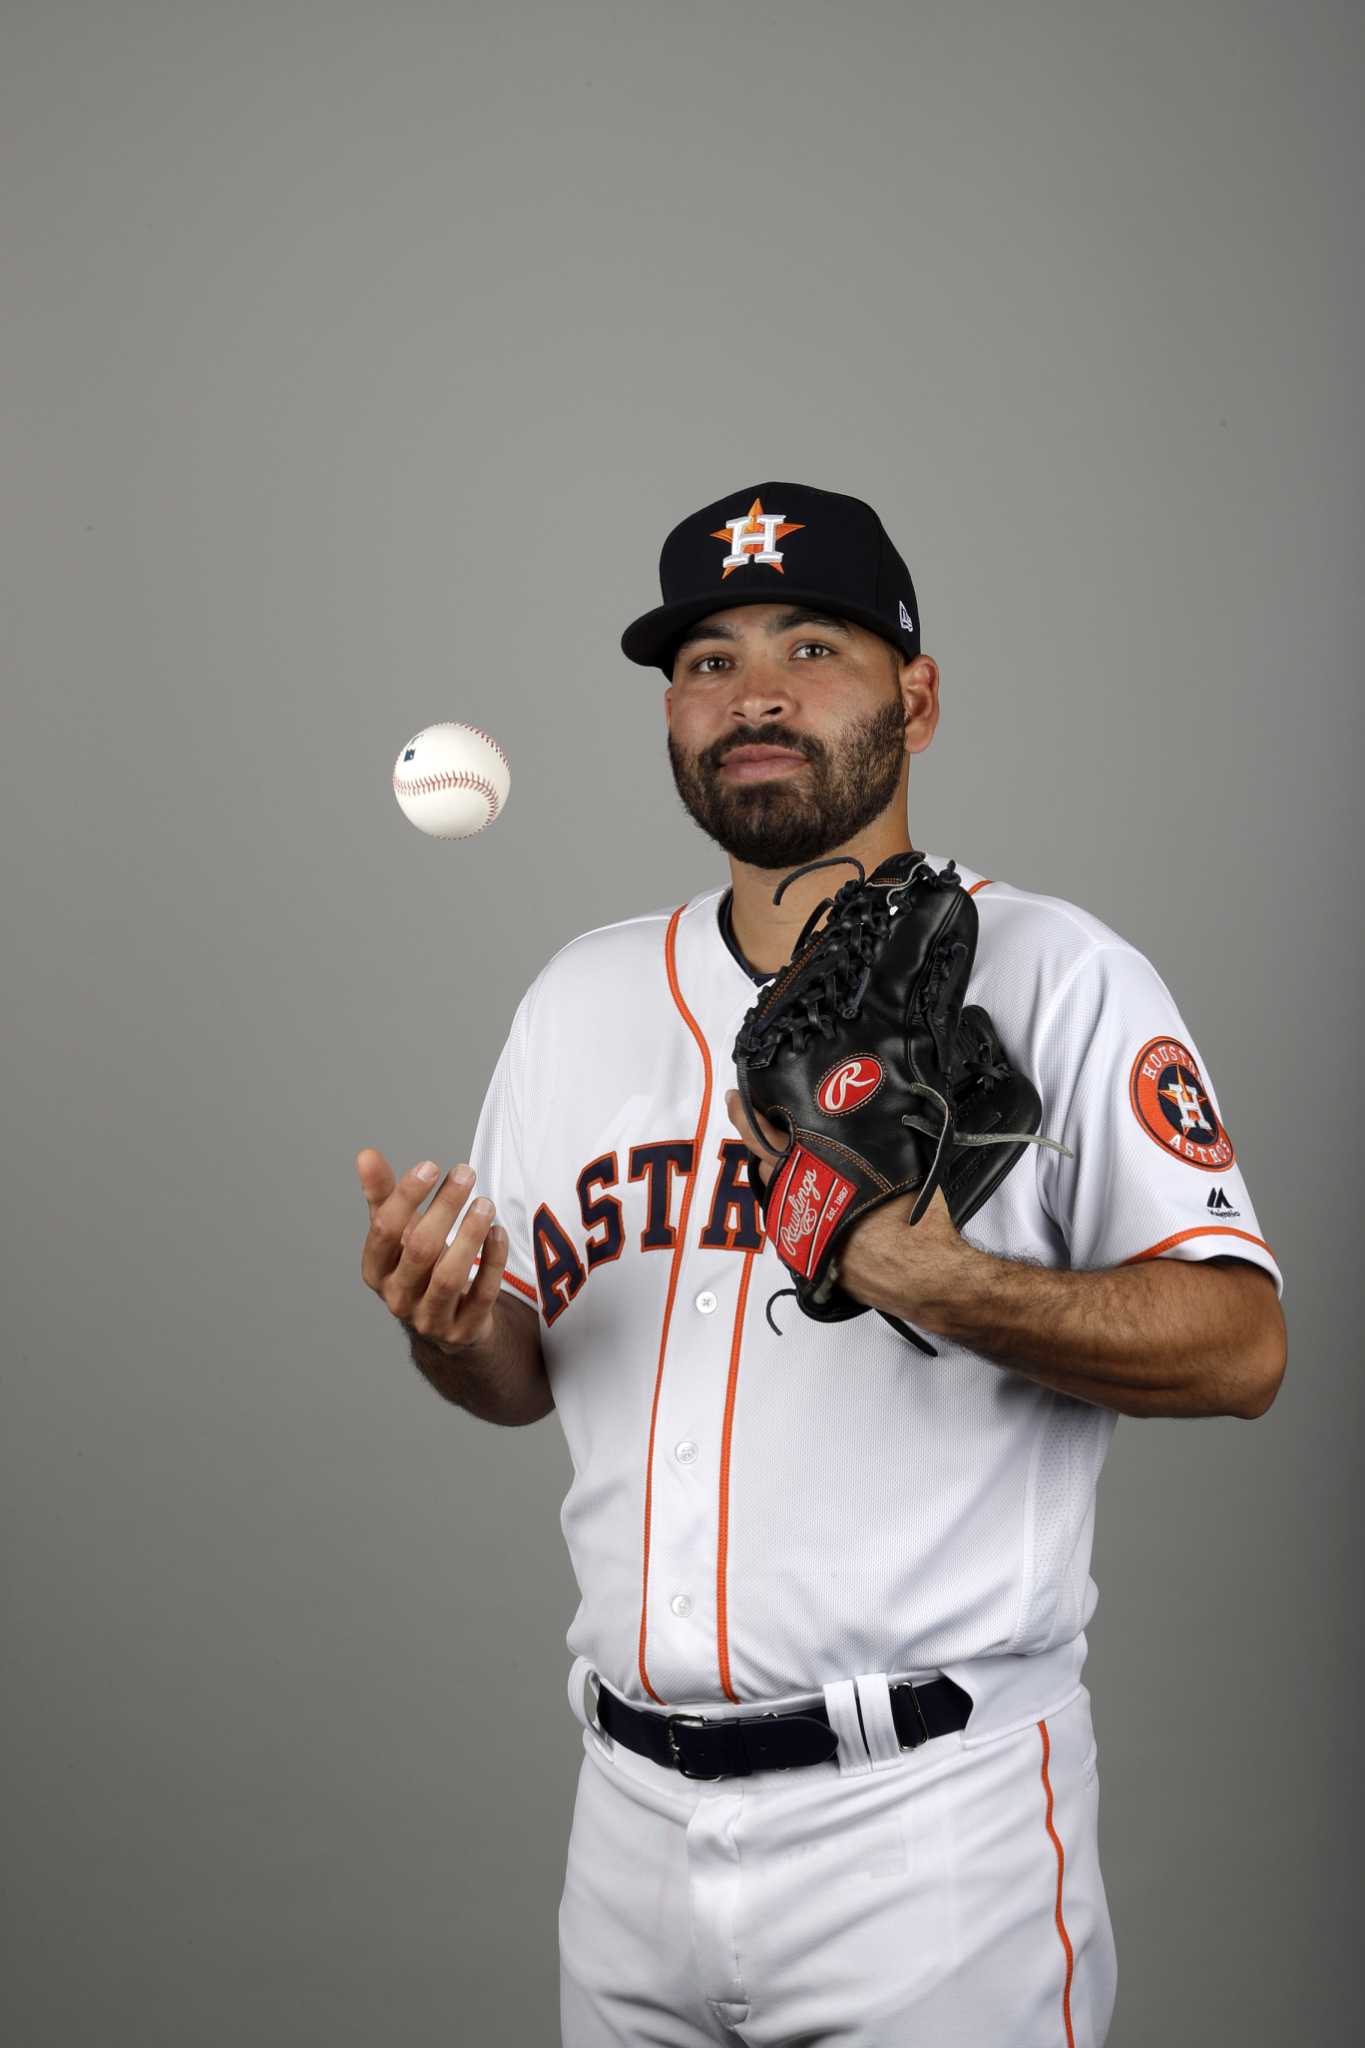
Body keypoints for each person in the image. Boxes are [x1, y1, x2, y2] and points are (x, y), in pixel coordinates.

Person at [356, 481, 1286, 2046]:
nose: (755, 691)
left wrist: (940, 1278)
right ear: (671, 715)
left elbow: (1237, 1345)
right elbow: (521, 1371)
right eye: (707, 658)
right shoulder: (575, 1003)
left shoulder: (1059, 975)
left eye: (812, 644)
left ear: (915, 696)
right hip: (627, 1829)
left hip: (933, 1833)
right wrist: (448, 1331)